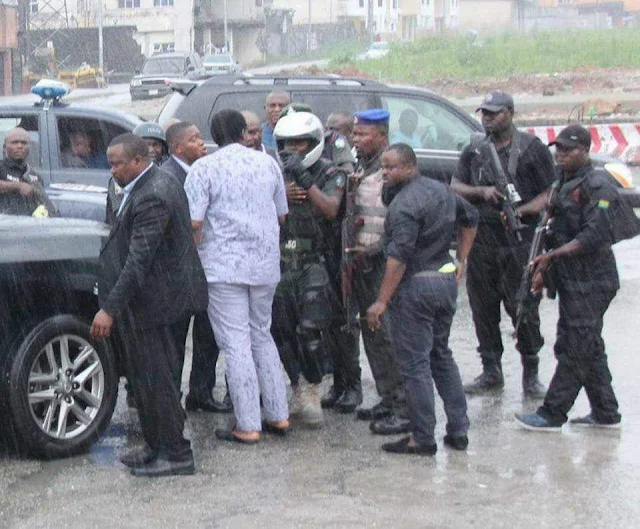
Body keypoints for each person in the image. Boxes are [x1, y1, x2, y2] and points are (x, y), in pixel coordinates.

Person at [91, 133, 207, 477]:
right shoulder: (146, 185)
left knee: (157, 380)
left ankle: (176, 453)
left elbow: (139, 259)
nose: (112, 170)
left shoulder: (154, 193)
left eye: (117, 164)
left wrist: (109, 308)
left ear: (139, 161)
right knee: (145, 379)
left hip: (160, 302)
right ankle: (157, 444)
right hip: (151, 301)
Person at [515, 124, 640, 431]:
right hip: (571, 279)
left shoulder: (598, 185)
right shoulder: (564, 181)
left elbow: (594, 235)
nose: (560, 155)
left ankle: (552, 413)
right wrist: (544, 267)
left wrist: (552, 257)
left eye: (568, 150)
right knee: (587, 344)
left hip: (593, 281)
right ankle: (606, 412)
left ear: (585, 151)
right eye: (557, 149)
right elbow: (553, 230)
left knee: (574, 347)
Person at [185, 109, 290, 444]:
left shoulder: (205, 168)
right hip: (265, 265)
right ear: (244, 131)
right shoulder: (268, 164)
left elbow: (195, 223)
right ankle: (278, 415)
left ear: (214, 135)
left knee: (236, 343)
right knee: (262, 335)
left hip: (223, 268)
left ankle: (248, 423)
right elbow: (282, 214)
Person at [366, 143, 478, 455]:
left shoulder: (404, 206)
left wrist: (381, 301)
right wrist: (461, 260)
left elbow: (398, 258)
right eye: (383, 167)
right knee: (441, 356)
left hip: (416, 288)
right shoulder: (442, 191)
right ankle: (458, 429)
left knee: (415, 366)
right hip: (444, 283)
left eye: (391, 167)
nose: (384, 173)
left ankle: (422, 437)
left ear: (410, 166)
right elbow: (471, 218)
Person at [450, 91, 556, 398]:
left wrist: (521, 211)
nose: (487, 118)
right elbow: (455, 184)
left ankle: (531, 373)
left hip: (518, 240)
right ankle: (491, 371)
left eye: (494, 113)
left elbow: (550, 192)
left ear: (510, 113)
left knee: (522, 307)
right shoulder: (474, 149)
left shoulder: (531, 149)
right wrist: (481, 192)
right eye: (484, 113)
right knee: (482, 308)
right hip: (483, 238)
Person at [271, 110, 350, 426]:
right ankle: (297, 385)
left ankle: (314, 385)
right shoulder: (275, 173)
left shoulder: (331, 172)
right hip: (280, 261)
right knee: (281, 331)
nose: (294, 150)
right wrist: (280, 195)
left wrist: (304, 180)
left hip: (315, 261)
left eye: (301, 143)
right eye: (288, 144)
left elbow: (330, 209)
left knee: (311, 330)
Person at [160, 121, 233, 414]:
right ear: (177, 147)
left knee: (207, 334)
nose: (202, 143)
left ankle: (201, 393)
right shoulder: (169, 176)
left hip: (205, 269)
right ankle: (169, 400)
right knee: (175, 340)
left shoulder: (201, 171)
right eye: (194, 139)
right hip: (178, 272)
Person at [346, 109, 409, 435]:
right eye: (355, 134)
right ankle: (387, 398)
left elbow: (400, 224)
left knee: (387, 335)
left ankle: (403, 407)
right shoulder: (363, 165)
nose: (356, 139)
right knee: (371, 334)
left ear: (382, 135)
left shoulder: (391, 171)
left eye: (362, 134)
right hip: (362, 264)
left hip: (382, 264)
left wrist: (375, 249)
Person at [106, 122, 170, 225]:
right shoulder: (121, 178)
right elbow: (121, 214)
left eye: (155, 145)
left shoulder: (168, 176)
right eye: (146, 145)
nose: (151, 150)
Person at [0, 127, 55, 217]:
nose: (20, 146)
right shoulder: (1, 167)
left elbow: (44, 205)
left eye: (24, 143)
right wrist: (18, 186)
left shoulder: (34, 176)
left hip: (27, 226)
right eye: (14, 142)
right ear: (5, 147)